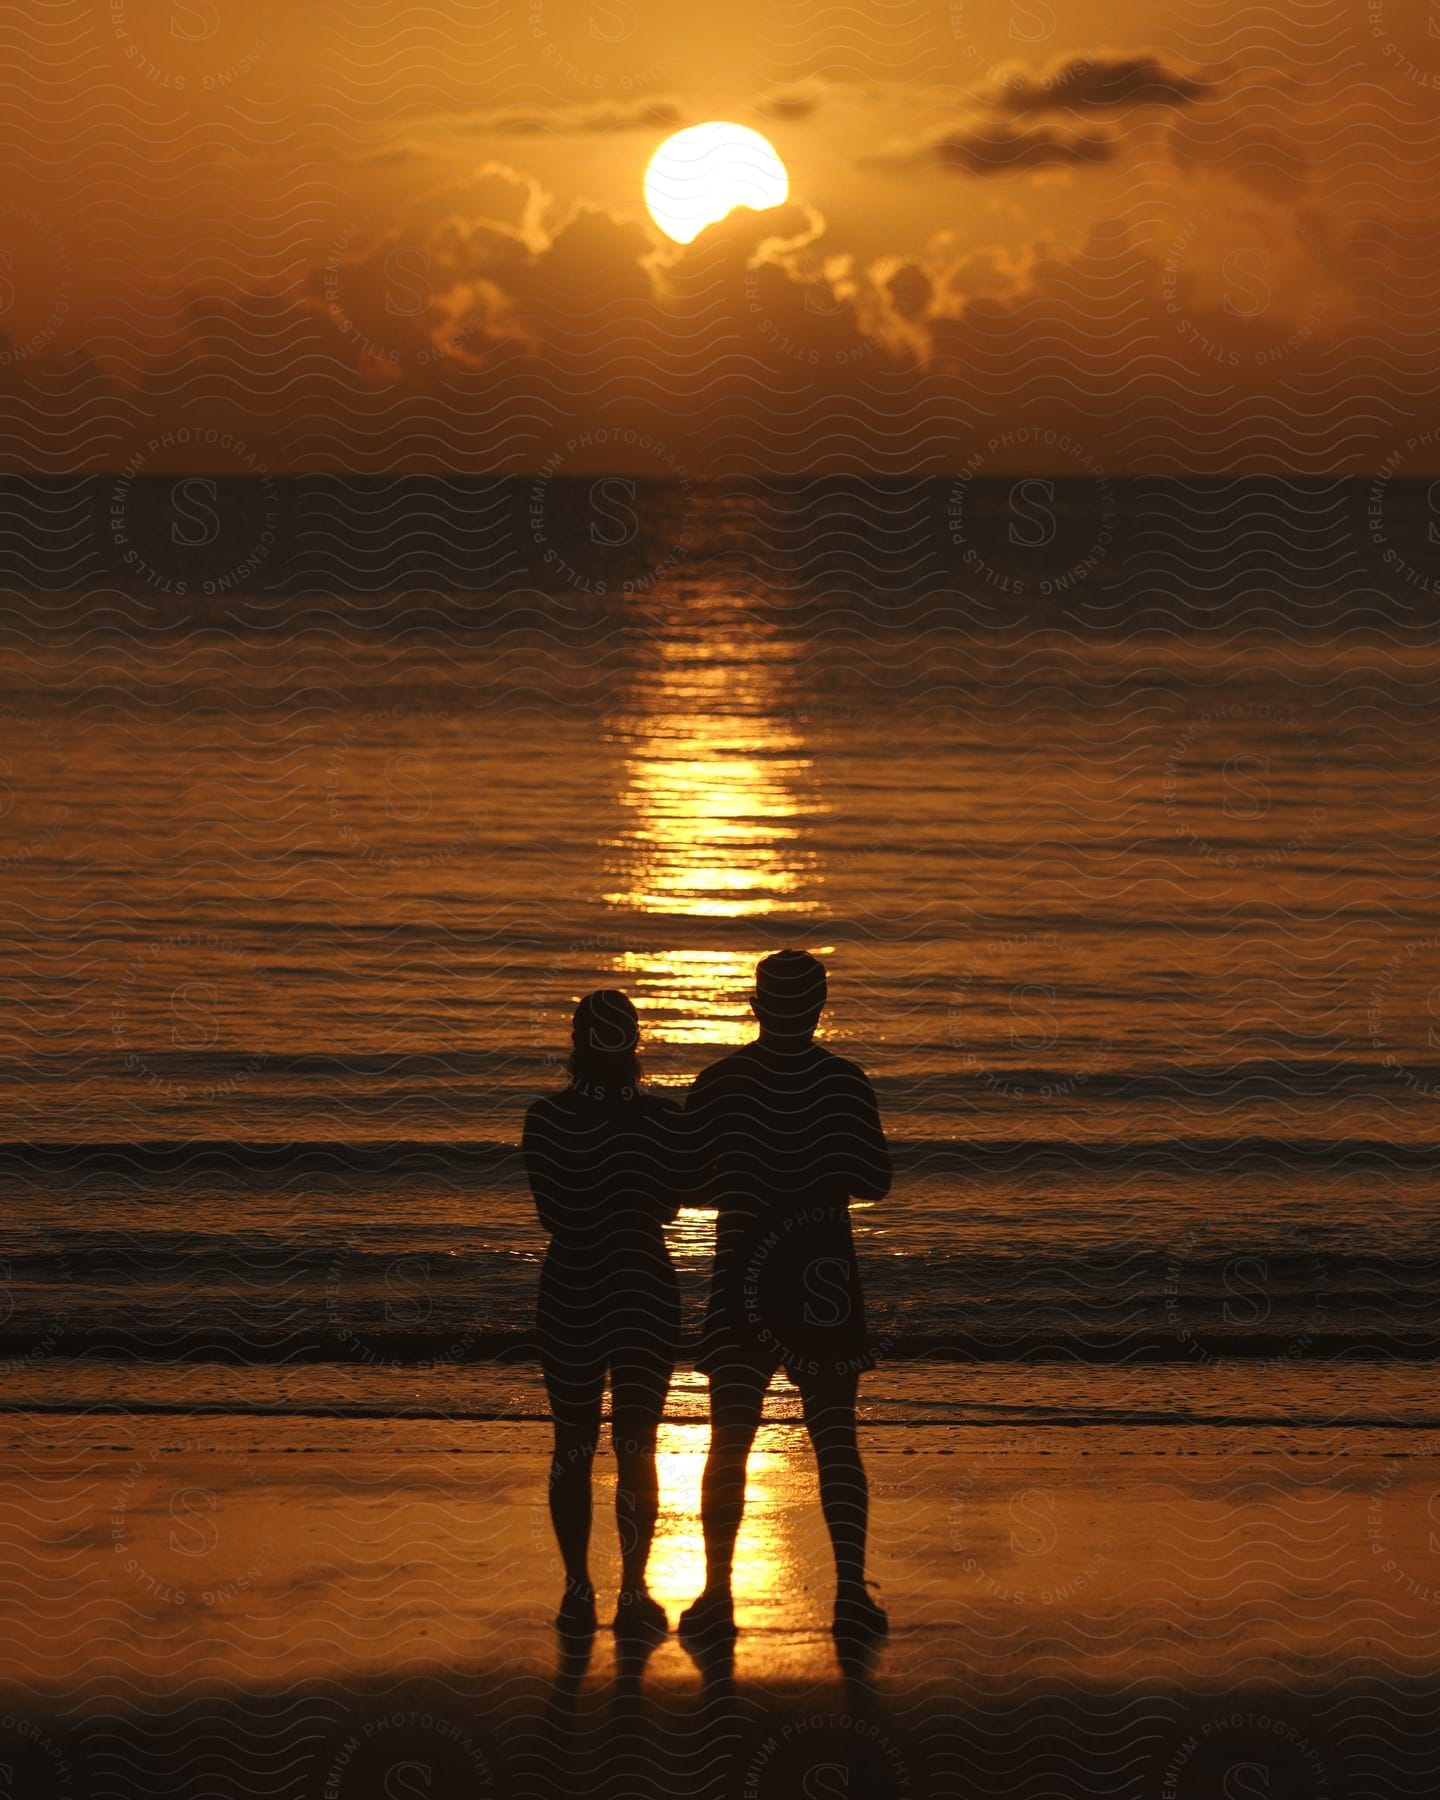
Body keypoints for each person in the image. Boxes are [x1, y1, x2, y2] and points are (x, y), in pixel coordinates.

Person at [679, 949, 892, 1644]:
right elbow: (876, 1181)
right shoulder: (844, 1082)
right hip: (823, 1275)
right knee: (834, 1436)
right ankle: (851, 1595)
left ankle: (715, 1595)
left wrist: (748, 1180)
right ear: (820, 1007)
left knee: (731, 1438)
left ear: (757, 1004)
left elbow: (685, 1186)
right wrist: (814, 1170)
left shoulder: (721, 1081)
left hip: (743, 1272)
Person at [522, 989, 686, 1637]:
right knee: (636, 1443)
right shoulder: (661, 1118)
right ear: (635, 1044)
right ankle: (634, 1590)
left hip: (573, 1282)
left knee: (573, 1444)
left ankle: (577, 1590)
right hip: (643, 1277)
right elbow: (671, 1208)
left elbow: (552, 1215)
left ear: (576, 1042)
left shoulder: (546, 1118)